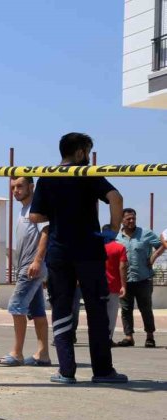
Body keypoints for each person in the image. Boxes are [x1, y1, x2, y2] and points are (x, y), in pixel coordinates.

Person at [29, 132, 127, 384]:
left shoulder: (47, 176)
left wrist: (58, 213)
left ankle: (66, 371)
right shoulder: (87, 174)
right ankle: (102, 371)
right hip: (89, 251)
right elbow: (116, 198)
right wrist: (113, 228)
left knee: (61, 309)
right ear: (81, 152)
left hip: (59, 252)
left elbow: (35, 216)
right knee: (96, 309)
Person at [0, 176, 51, 367]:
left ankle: (17, 353)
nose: (15, 191)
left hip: (31, 267)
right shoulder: (24, 210)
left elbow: (46, 232)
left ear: (31, 186)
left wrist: (37, 261)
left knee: (16, 306)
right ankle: (43, 354)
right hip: (26, 267)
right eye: (13, 187)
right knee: (37, 311)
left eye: (20, 186)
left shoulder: (37, 207)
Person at [115, 209, 164, 348]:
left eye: (133, 218)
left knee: (146, 309)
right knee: (126, 309)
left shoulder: (146, 233)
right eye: (128, 219)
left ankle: (150, 336)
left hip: (143, 279)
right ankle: (128, 337)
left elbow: (162, 244)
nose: (131, 221)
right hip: (124, 281)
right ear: (122, 220)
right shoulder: (117, 238)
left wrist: (153, 257)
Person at [101, 224, 128, 345]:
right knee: (111, 314)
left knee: (98, 313)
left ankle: (98, 337)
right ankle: (108, 338)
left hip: (97, 286)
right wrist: (123, 285)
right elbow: (122, 267)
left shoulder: (96, 247)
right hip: (114, 285)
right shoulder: (119, 248)